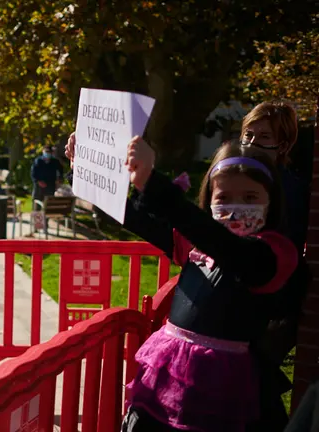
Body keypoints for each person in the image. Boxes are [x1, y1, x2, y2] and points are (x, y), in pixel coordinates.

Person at [67, 138, 297, 431]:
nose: (236, 209)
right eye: (223, 198)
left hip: (222, 389)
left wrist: (154, 183)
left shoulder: (272, 254)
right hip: (167, 376)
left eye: (250, 198)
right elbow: (135, 219)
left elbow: (227, 248)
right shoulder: (195, 245)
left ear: (271, 200)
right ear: (209, 199)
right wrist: (86, 174)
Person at [238, 101, 308, 432]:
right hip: (245, 301)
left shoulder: (289, 189)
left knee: (253, 382)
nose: (250, 142)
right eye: (247, 134)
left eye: (262, 136)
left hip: (272, 307)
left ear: (283, 144)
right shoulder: (238, 177)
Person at [31, 145, 65, 210]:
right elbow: (33, 173)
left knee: (48, 204)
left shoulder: (55, 161)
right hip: (39, 186)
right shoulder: (38, 161)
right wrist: (38, 181)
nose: (47, 153)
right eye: (46, 151)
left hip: (50, 186)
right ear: (43, 151)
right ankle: (36, 219)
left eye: (49, 152)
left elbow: (61, 171)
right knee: (36, 204)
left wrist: (59, 180)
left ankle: (46, 219)